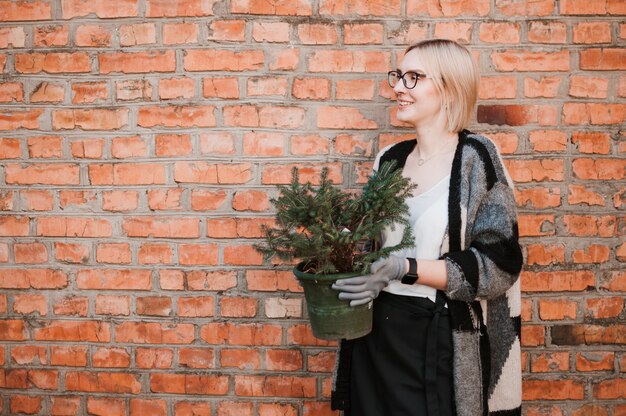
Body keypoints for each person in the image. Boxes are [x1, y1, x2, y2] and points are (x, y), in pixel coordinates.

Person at [330, 39, 524, 416]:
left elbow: (499, 264)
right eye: (399, 76)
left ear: (450, 87)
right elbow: (370, 243)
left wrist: (407, 268)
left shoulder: (476, 158)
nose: (399, 87)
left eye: (414, 77)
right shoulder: (390, 159)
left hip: (437, 337)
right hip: (375, 333)